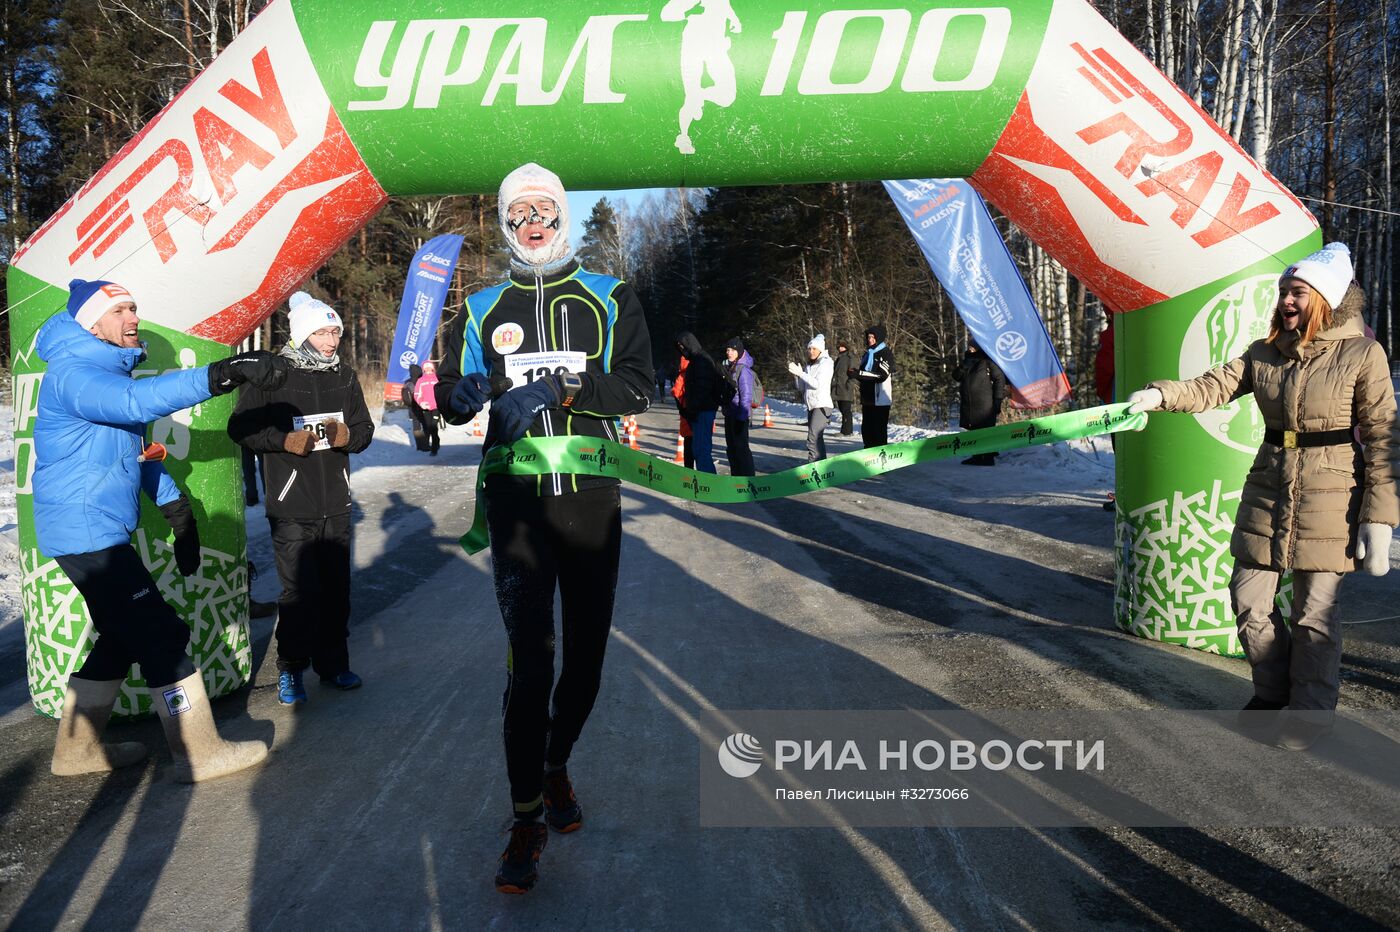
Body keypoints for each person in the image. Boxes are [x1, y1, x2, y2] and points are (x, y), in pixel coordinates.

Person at [430, 163, 653, 894]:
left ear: (561, 215)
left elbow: (637, 386)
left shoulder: (610, 297)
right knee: (531, 667)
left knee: (584, 667)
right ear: (505, 222)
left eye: (543, 207)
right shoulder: (482, 308)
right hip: (517, 508)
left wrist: (565, 386)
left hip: (591, 502)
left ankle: (555, 765)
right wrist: (457, 398)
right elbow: (451, 403)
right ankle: (526, 815)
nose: (532, 219)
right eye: (518, 209)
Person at [1127, 243, 1397, 750]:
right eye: (1283, 293)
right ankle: (1272, 692)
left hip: (1332, 493)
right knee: (1248, 600)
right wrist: (1161, 394)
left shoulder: (1363, 353)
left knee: (1314, 614)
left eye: (1297, 292)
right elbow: (1212, 386)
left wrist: (1380, 517)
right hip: (1270, 486)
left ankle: (1312, 713)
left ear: (1325, 298)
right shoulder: (1264, 351)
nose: (1286, 301)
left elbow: (1383, 432)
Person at [36, 278, 287, 782]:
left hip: (95, 529)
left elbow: (136, 451)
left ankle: (75, 752)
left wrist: (178, 512)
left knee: (123, 636)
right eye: (121, 311)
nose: (133, 319)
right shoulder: (74, 373)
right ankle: (198, 753)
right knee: (160, 632)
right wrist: (221, 373)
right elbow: (133, 406)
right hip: (86, 532)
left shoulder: (102, 372)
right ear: (92, 322)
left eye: (134, 309)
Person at [230, 291, 375, 706]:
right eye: (323, 332)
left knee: (336, 591)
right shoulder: (274, 376)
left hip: (337, 504)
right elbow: (240, 429)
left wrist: (347, 436)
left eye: (336, 332)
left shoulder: (343, 376)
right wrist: (283, 440)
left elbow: (363, 430)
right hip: (292, 504)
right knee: (298, 594)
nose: (332, 341)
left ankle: (333, 666)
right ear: (302, 334)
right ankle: (291, 669)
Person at [953, 340, 1008, 466]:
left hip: (985, 403)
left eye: (973, 346)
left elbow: (999, 378)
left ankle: (988, 458)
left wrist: (998, 400)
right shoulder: (967, 360)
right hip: (969, 404)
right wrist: (964, 365)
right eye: (969, 346)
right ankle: (977, 457)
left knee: (985, 430)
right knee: (973, 429)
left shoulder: (987, 360)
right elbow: (956, 376)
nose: (970, 348)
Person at [674, 331, 720, 473]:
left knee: (701, 451)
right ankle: (705, 481)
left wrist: (692, 409)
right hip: (698, 411)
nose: (681, 350)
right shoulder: (695, 360)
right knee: (698, 449)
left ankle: (710, 484)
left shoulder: (701, 360)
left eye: (682, 347)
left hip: (703, 411)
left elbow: (703, 388)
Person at [789, 334, 834, 463]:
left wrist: (801, 373)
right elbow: (802, 388)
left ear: (820, 349)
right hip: (812, 405)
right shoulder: (809, 366)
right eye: (809, 349)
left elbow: (816, 384)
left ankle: (813, 466)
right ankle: (821, 466)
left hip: (822, 405)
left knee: (812, 438)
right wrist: (797, 376)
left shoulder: (826, 363)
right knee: (817, 438)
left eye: (814, 349)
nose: (811, 351)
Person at [720, 337, 756, 476]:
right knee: (732, 449)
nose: (729, 352)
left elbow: (746, 396)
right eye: (728, 350)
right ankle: (736, 478)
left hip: (739, 415)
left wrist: (742, 418)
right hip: (730, 414)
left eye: (732, 350)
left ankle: (747, 478)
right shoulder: (731, 367)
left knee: (741, 449)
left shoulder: (743, 370)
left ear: (739, 351)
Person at [854, 324, 894, 448]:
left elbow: (881, 376)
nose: (869, 339)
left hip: (880, 399)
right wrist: (855, 373)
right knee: (866, 430)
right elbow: (864, 374)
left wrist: (859, 374)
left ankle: (881, 457)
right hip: (867, 398)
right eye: (868, 337)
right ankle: (868, 454)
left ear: (879, 337)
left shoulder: (885, 353)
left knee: (879, 431)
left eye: (872, 337)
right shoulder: (867, 354)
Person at [831, 340, 858, 436]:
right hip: (837, 388)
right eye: (839, 347)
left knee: (846, 411)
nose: (840, 348)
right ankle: (845, 430)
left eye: (842, 346)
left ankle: (847, 431)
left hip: (845, 389)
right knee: (842, 410)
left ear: (846, 347)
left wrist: (848, 385)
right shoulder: (839, 358)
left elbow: (854, 374)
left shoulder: (850, 358)